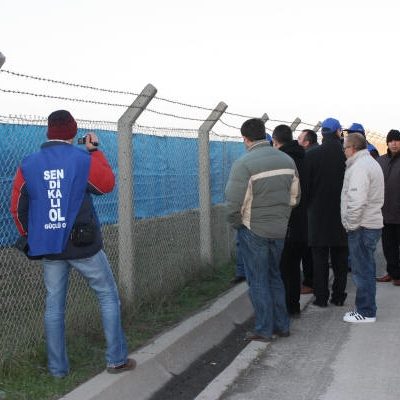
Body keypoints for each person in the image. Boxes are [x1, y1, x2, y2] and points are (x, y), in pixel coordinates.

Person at [10, 110, 135, 377]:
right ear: (73, 131)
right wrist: (94, 151)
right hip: (83, 245)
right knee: (107, 295)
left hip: (48, 246)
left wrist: (30, 236)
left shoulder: (28, 164)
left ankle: (58, 370)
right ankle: (116, 360)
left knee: (54, 307)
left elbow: (17, 208)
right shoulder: (81, 159)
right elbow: (106, 185)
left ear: (48, 131)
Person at [225, 118, 300, 342]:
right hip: (279, 228)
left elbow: (233, 202)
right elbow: (295, 197)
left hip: (253, 229)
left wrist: (238, 223)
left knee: (258, 280)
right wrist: (281, 216)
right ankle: (282, 325)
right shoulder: (287, 160)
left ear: (245, 139)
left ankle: (264, 329)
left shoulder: (243, 164)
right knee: (275, 276)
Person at [304, 117, 348, 307]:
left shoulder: (312, 155)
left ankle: (321, 297)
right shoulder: (346, 155)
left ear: (322, 133)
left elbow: (305, 188)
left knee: (319, 259)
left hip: (317, 215)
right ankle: (338, 296)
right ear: (338, 132)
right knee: (340, 259)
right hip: (342, 215)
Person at [341, 133, 384, 323]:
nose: (344, 151)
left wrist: (351, 225)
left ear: (352, 148)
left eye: (345, 148)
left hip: (362, 226)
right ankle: (366, 309)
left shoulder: (359, 167)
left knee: (362, 271)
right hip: (368, 224)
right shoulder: (369, 163)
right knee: (366, 268)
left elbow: (357, 201)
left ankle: (366, 312)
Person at [272, 125, 306, 316]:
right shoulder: (304, 156)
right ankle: (294, 305)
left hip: (286, 221)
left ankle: (285, 308)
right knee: (294, 266)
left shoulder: (281, 162)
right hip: (304, 220)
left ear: (275, 142)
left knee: (284, 266)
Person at [376, 129, 400, 285]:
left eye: (397, 140)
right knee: (388, 246)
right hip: (384, 212)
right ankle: (393, 273)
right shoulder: (380, 161)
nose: (394, 143)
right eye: (391, 141)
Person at [297, 129, 319, 294]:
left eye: (299, 138)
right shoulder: (319, 153)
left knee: (308, 248)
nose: (297, 141)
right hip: (317, 209)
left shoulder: (307, 157)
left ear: (306, 142)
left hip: (308, 209)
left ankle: (310, 282)